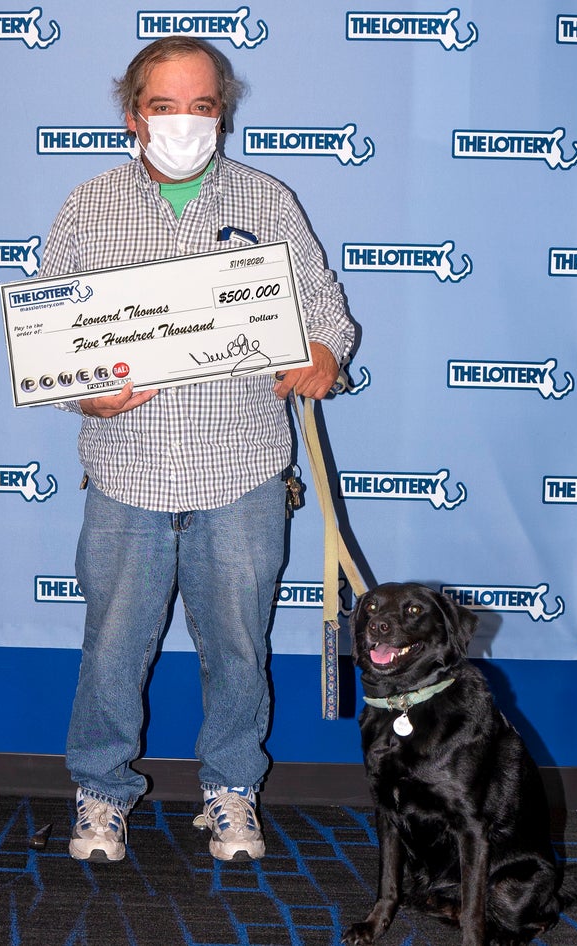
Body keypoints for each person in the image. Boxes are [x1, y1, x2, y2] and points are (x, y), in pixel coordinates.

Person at [39, 36, 355, 864]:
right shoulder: (86, 206)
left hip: (242, 469)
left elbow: (326, 310)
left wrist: (325, 352)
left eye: (203, 106)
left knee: (241, 649)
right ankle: (101, 793)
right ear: (132, 114)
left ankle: (231, 789)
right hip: (127, 470)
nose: (184, 122)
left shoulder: (268, 200)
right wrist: (82, 390)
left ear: (223, 112)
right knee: (111, 650)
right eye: (164, 105)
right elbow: (48, 337)